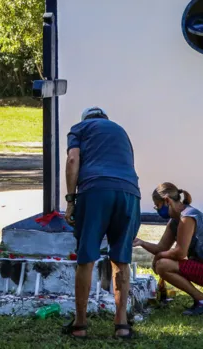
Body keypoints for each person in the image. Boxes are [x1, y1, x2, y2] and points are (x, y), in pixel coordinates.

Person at [63, 107, 141, 339]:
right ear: (105, 119)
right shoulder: (121, 131)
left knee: (86, 258)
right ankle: (122, 325)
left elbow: (73, 159)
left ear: (85, 120)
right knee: (122, 259)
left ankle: (80, 325)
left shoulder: (79, 128)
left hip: (95, 190)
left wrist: (70, 200)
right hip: (129, 193)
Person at [133, 182, 203, 315]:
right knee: (165, 261)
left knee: (162, 266)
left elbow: (180, 253)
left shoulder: (187, 218)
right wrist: (141, 242)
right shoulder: (176, 220)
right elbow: (161, 248)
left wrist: (159, 257)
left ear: (167, 201)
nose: (158, 210)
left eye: (157, 206)